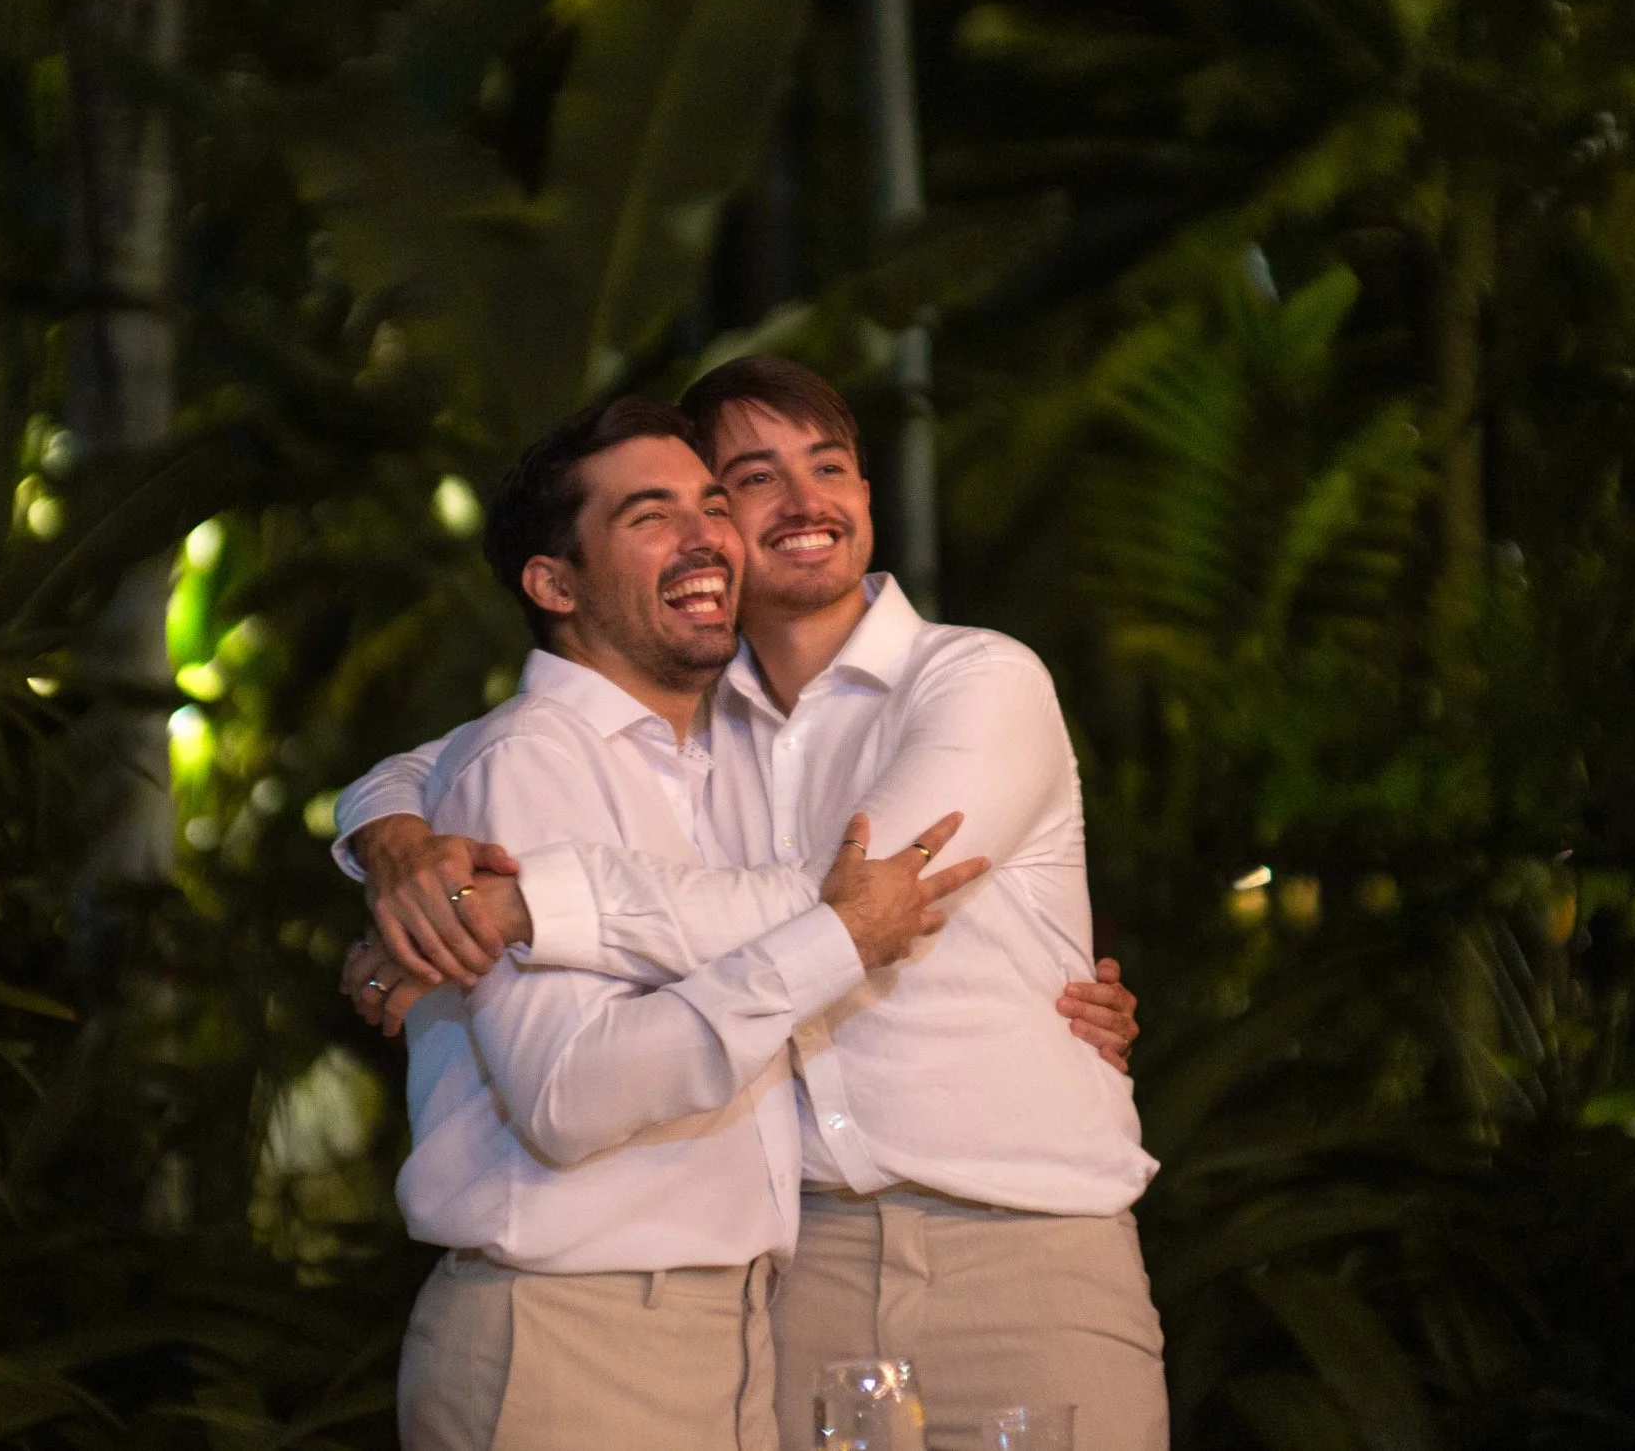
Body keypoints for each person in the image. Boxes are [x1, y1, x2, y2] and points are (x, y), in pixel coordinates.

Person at [340, 359, 1170, 1451]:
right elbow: (446, 759)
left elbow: (862, 897)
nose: (805, 501)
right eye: (750, 481)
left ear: (868, 496)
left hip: (1018, 1250)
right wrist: (393, 846)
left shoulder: (973, 679)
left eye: (831, 467)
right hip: (795, 1268)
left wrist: (529, 900)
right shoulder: (691, 724)